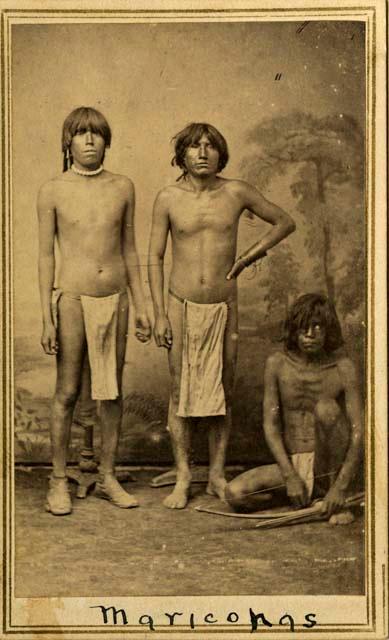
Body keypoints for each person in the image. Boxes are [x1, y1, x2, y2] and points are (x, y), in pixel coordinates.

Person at [148, 122, 295, 509]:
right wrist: (160, 314)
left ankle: (215, 474)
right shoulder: (167, 197)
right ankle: (182, 477)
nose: (202, 152)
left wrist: (248, 257)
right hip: (180, 303)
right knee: (180, 391)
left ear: (220, 153)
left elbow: (285, 221)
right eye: (194, 146)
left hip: (224, 304)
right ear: (181, 153)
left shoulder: (236, 191)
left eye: (210, 146)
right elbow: (154, 258)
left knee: (222, 393)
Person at [38, 106, 151, 515]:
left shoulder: (123, 186)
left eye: (97, 134)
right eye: (81, 134)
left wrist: (142, 305)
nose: (89, 141)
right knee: (67, 392)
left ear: (107, 140)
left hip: (115, 298)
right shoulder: (52, 189)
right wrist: (46, 317)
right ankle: (56, 481)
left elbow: (131, 249)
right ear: (67, 142)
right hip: (71, 299)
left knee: (112, 390)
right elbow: (45, 258)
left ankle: (106, 476)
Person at [225, 293, 363, 522]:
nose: (310, 334)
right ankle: (305, 499)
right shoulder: (277, 364)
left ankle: (333, 497)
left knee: (326, 408)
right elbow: (270, 425)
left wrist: (340, 486)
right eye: (304, 328)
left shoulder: (343, 368)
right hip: (292, 464)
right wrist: (289, 476)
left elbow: (359, 432)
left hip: (328, 467)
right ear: (294, 330)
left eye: (317, 327)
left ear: (328, 330)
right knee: (234, 494)